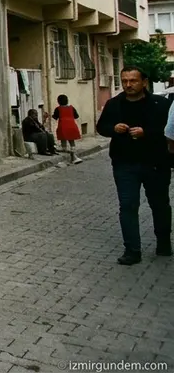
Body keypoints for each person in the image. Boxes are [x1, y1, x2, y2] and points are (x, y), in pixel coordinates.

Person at [99, 66, 172, 265]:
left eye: (133, 81)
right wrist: (113, 128)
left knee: (160, 204)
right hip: (124, 164)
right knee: (128, 206)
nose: (128, 85)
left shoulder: (160, 104)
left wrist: (146, 133)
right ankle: (132, 250)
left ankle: (164, 242)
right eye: (125, 81)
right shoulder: (114, 104)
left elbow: (169, 130)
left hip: (156, 163)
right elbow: (101, 127)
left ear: (144, 82)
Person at [53, 94, 83, 164]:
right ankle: (73, 150)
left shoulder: (58, 109)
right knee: (71, 139)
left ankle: (65, 149)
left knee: (63, 138)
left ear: (58, 101)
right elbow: (76, 116)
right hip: (72, 125)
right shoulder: (72, 108)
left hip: (63, 125)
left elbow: (55, 117)